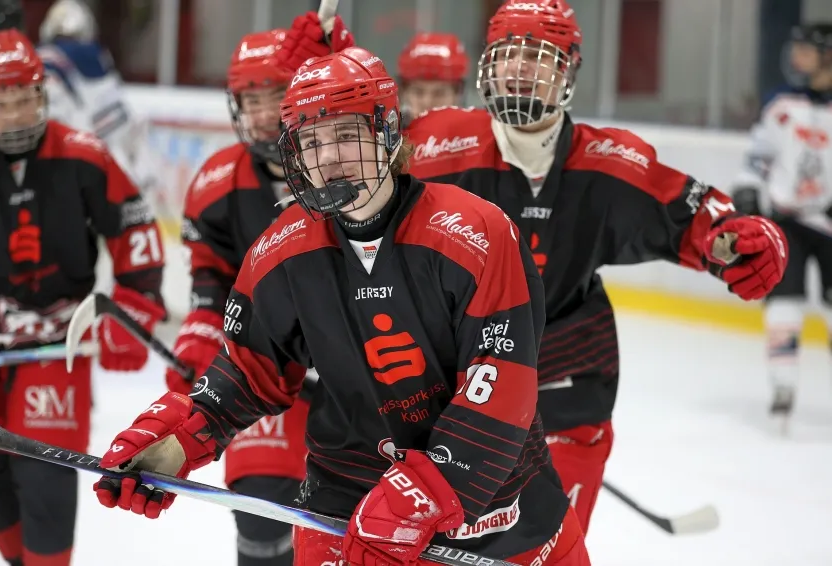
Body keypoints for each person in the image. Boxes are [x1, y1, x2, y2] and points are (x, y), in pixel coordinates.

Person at [274, 0, 789, 536]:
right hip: (458, 401)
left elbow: (705, 221)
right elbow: (352, 148)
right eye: (507, 54)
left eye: (537, 56)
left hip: (568, 390)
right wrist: (330, 74)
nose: (519, 68)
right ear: (486, 65)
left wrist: (743, 241)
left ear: (568, 71)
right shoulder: (437, 141)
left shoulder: (611, 162)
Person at [91, 46, 592, 566]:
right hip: (349, 503)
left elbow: (501, 385)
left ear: (388, 132)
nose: (327, 157)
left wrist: (424, 490)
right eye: (310, 141)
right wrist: (178, 441)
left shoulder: (476, 233)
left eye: (347, 135)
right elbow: (248, 371)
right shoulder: (281, 252)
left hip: (499, 510)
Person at [0, 29, 165, 566]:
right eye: (0, 103)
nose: (17, 116)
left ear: (43, 95)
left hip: (56, 349)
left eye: (26, 100)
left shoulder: (84, 154)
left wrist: (131, 312)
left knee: (45, 478)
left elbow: (137, 232)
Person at [164, 29, 311, 566]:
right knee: (260, 510)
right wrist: (198, 343)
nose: (267, 114)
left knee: (352, 518)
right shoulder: (218, 183)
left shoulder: (345, 166)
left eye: (278, 96)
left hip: (355, 379)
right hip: (263, 378)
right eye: (253, 101)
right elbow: (209, 287)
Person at [732, 22, 832, 423]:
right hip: (785, 222)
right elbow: (758, 156)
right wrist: (747, 187)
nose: (796, 57)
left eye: (806, 49)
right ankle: (783, 388)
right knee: (783, 304)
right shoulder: (781, 104)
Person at [35, 0, 161, 195]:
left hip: (51, 156)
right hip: (98, 151)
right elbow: (122, 122)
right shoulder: (98, 55)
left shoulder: (37, 55)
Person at [397, 32, 468, 124]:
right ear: (404, 93)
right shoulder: (385, 136)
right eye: (418, 92)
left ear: (457, 94)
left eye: (439, 93)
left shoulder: (478, 135)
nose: (427, 102)